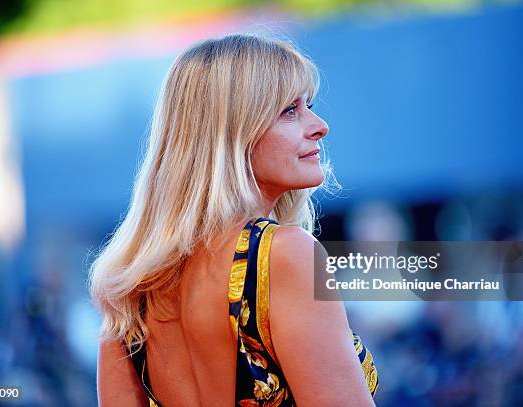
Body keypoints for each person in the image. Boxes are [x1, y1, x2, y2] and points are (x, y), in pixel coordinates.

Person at [89, 33, 379, 406]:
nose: (320, 125)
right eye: (290, 111)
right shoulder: (285, 256)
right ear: (233, 132)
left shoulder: (130, 283)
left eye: (308, 105)